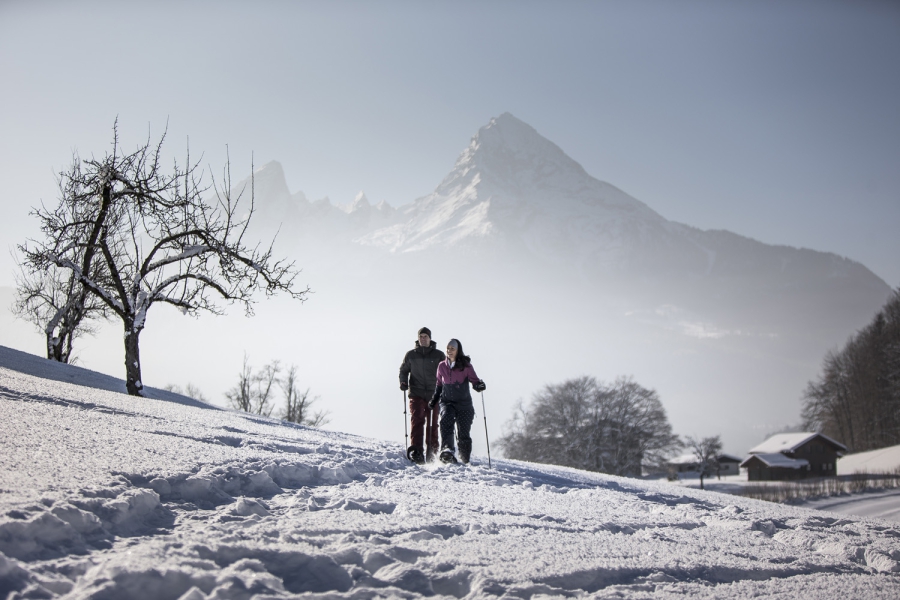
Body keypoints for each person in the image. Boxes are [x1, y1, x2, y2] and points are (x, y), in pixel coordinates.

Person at [429, 338, 486, 464]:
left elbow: (475, 381)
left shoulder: (466, 366)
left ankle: (465, 458)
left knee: (464, 432)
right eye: (448, 349)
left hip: (464, 404)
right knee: (446, 421)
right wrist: (434, 400)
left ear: (458, 350)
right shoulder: (442, 366)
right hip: (447, 401)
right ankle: (447, 451)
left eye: (452, 349)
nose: (449, 351)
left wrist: (479, 386)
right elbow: (439, 384)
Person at [399, 327, 446, 464]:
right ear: (418, 338)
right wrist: (403, 382)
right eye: (421, 337)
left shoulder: (438, 355)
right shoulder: (411, 355)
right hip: (416, 392)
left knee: (433, 423)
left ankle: (432, 452)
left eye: (425, 336)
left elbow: (446, 372)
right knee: (417, 420)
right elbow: (404, 370)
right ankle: (417, 451)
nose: (423, 339)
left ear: (430, 338)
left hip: (434, 394)